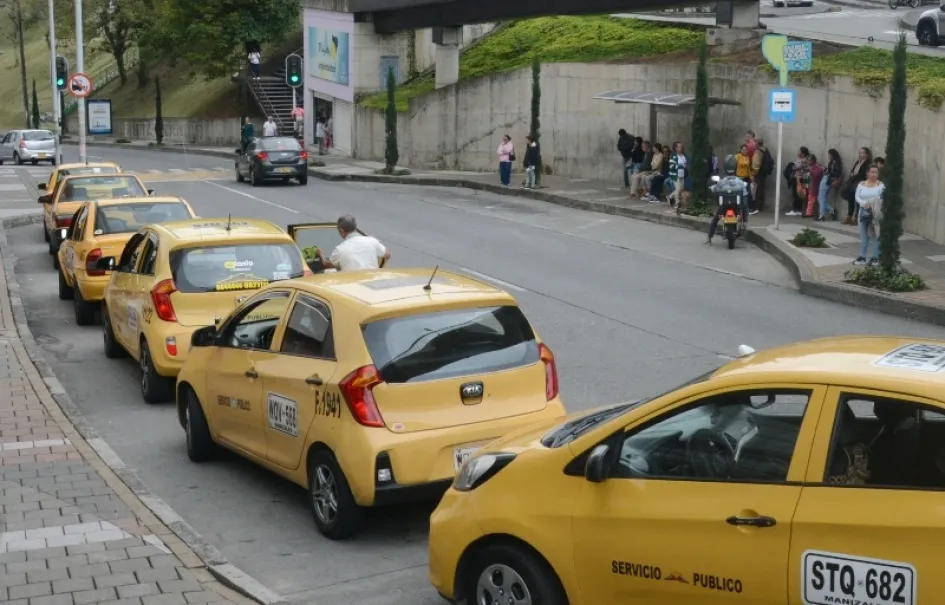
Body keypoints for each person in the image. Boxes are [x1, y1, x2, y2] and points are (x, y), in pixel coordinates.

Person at [316, 215, 391, 271]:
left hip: (351, 284)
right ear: (355, 227)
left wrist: (321, 254)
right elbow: (387, 254)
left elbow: (327, 265)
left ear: (342, 231)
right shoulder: (372, 241)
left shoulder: (340, 250)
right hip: (371, 282)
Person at [706, 155, 749, 244]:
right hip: (736, 206)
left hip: (724, 206)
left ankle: (709, 237)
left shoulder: (721, 181)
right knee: (745, 205)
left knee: (715, 219)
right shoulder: (739, 181)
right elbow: (745, 194)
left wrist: (712, 188)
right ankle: (745, 223)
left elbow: (715, 189)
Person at [854, 164, 884, 266]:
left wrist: (871, 203)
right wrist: (864, 204)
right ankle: (862, 256)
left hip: (875, 213)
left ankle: (876, 257)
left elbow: (882, 197)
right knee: (864, 236)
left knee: (875, 235)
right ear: (867, 173)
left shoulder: (881, 185)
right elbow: (857, 197)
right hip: (863, 212)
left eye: (876, 172)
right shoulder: (861, 184)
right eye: (872, 172)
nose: (874, 174)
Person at [842, 147, 871, 225]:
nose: (860, 155)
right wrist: (852, 174)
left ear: (867, 155)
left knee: (858, 201)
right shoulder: (858, 162)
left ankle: (856, 218)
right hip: (853, 183)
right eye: (860, 153)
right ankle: (849, 217)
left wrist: (854, 176)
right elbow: (853, 170)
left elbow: (862, 174)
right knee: (850, 199)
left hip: (860, 184)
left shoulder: (867, 164)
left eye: (862, 153)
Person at [817, 148, 843, 222]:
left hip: (827, 180)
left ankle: (821, 216)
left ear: (832, 155)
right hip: (828, 181)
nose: (828, 156)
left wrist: (826, 170)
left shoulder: (835, 163)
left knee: (821, 199)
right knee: (821, 199)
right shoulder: (835, 163)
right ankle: (832, 211)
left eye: (829, 155)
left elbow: (836, 173)